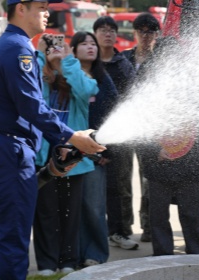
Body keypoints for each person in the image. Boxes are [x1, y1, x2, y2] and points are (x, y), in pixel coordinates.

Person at [0, 0, 105, 280]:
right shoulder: (19, 50)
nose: (46, 14)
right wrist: (72, 136)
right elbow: (31, 106)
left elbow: (27, 109)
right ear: (20, 9)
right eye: (40, 7)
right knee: (11, 242)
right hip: (7, 155)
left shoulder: (10, 46)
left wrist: (58, 144)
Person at [135, 36, 199, 256]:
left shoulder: (194, 85)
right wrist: (154, 151)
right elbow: (138, 126)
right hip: (158, 163)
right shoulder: (146, 86)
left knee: (192, 215)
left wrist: (197, 156)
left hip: (189, 164)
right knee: (158, 217)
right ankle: (163, 258)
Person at [32, 33, 99, 276]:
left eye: (61, 45)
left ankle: (69, 260)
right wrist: (40, 55)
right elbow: (31, 89)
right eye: (51, 47)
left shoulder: (78, 75)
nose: (56, 49)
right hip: (43, 156)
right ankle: (47, 264)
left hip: (74, 157)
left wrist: (67, 60)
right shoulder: (39, 78)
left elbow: (86, 89)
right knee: (45, 213)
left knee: (70, 214)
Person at [71, 31, 119, 268]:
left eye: (93, 44)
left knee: (94, 207)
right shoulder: (65, 77)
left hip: (95, 154)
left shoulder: (103, 79)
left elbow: (113, 112)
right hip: (68, 154)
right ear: (73, 49)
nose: (90, 47)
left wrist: (106, 151)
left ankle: (97, 254)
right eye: (84, 43)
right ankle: (77, 255)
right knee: (74, 209)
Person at [93, 16, 139, 250]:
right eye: (103, 30)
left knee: (119, 185)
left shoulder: (123, 64)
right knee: (93, 187)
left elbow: (131, 98)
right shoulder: (89, 63)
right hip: (91, 134)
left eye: (112, 30)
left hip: (120, 135)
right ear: (95, 34)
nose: (108, 33)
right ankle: (98, 232)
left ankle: (120, 231)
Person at [121, 12, 161, 243]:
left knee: (148, 178)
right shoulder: (123, 58)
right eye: (142, 31)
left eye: (151, 32)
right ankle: (124, 227)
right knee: (122, 178)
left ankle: (148, 226)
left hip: (149, 127)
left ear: (156, 35)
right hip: (125, 126)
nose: (146, 36)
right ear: (135, 33)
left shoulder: (160, 60)